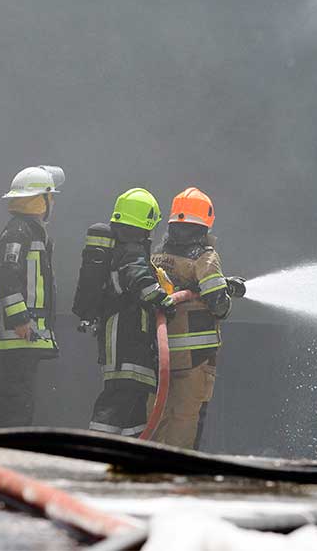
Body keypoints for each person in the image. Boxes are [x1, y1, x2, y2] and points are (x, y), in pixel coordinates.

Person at [150, 187, 244, 450]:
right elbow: (218, 305)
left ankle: (150, 471)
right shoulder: (205, 257)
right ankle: (178, 473)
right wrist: (224, 295)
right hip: (195, 359)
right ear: (205, 223)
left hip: (160, 355)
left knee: (159, 417)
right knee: (186, 419)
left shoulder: (157, 255)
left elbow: (180, 287)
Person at [76, 188, 175, 437]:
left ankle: (131, 451)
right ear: (146, 221)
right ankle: (97, 448)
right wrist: (162, 300)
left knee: (133, 401)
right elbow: (139, 279)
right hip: (125, 335)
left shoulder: (123, 247)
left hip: (131, 336)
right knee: (119, 395)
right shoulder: (130, 250)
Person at [0, 165, 64, 429]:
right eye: (50, 196)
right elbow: (7, 277)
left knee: (21, 404)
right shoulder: (18, 232)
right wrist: (20, 319)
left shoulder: (30, 232)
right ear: (38, 200)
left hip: (27, 336)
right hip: (19, 335)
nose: (52, 202)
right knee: (14, 407)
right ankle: (2, 456)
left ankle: (9, 453)